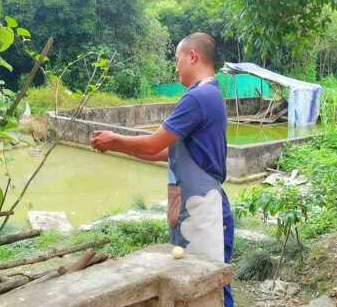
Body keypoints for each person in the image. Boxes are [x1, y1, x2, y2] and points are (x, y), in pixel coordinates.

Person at [90, 32, 234, 307]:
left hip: (206, 212)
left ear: (193, 56)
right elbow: (165, 150)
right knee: (197, 288)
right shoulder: (209, 94)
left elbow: (153, 143)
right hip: (195, 208)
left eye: (177, 58)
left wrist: (115, 139)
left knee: (211, 288)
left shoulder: (199, 98)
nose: (176, 66)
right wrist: (119, 147)